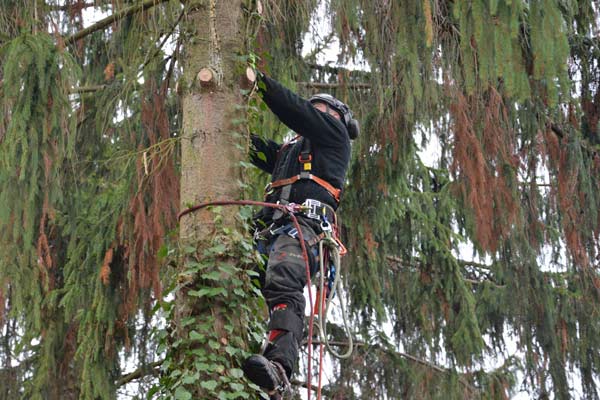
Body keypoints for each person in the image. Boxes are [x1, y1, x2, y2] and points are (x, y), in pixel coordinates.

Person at [242, 72, 359, 399]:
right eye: (315, 110)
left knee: (283, 278)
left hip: (304, 227)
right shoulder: (285, 155)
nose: (316, 116)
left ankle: (279, 369)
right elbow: (246, 144)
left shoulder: (335, 137)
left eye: (322, 111)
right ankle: (246, 359)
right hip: (269, 229)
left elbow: (297, 112)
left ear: (336, 119)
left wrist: (258, 81)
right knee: (239, 277)